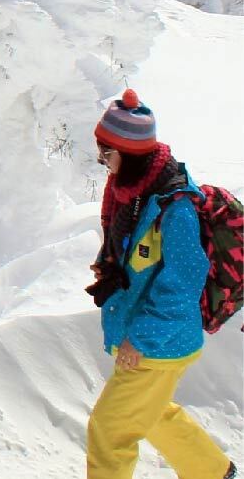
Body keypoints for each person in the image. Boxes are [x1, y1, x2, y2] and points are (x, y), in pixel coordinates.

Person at [85, 90, 236, 479]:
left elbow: (184, 280)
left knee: (110, 432)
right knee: (150, 415)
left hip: (160, 343)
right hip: (148, 335)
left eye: (107, 153)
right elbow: (137, 256)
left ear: (131, 155)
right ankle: (213, 472)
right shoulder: (132, 194)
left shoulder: (174, 207)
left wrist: (144, 337)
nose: (104, 163)